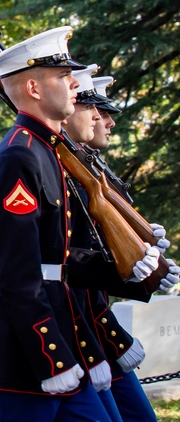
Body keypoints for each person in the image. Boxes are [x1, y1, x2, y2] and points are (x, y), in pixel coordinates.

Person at [0, 26, 126, 421]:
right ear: (33, 88)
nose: (75, 86)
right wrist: (51, 356)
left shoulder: (49, 151)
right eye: (64, 77)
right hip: (21, 349)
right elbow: (19, 272)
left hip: (60, 333)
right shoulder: (20, 157)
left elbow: (61, 258)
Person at [65, 70, 176, 422]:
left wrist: (143, 249)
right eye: (96, 110)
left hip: (95, 322)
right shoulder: (51, 165)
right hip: (72, 323)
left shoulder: (92, 166)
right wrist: (123, 269)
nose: (106, 120)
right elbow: (59, 255)